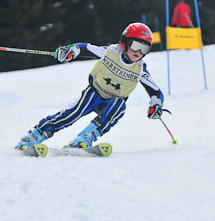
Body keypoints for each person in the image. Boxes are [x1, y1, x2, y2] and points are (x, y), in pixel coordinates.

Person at [15, 22, 165, 150]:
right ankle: (35, 135)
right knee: (71, 114)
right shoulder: (110, 52)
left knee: (119, 107)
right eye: (136, 46)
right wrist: (70, 51)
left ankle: (85, 138)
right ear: (125, 42)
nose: (139, 52)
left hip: (112, 101)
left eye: (144, 49)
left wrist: (156, 105)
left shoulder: (140, 69)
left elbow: (156, 92)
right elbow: (84, 48)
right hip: (94, 94)